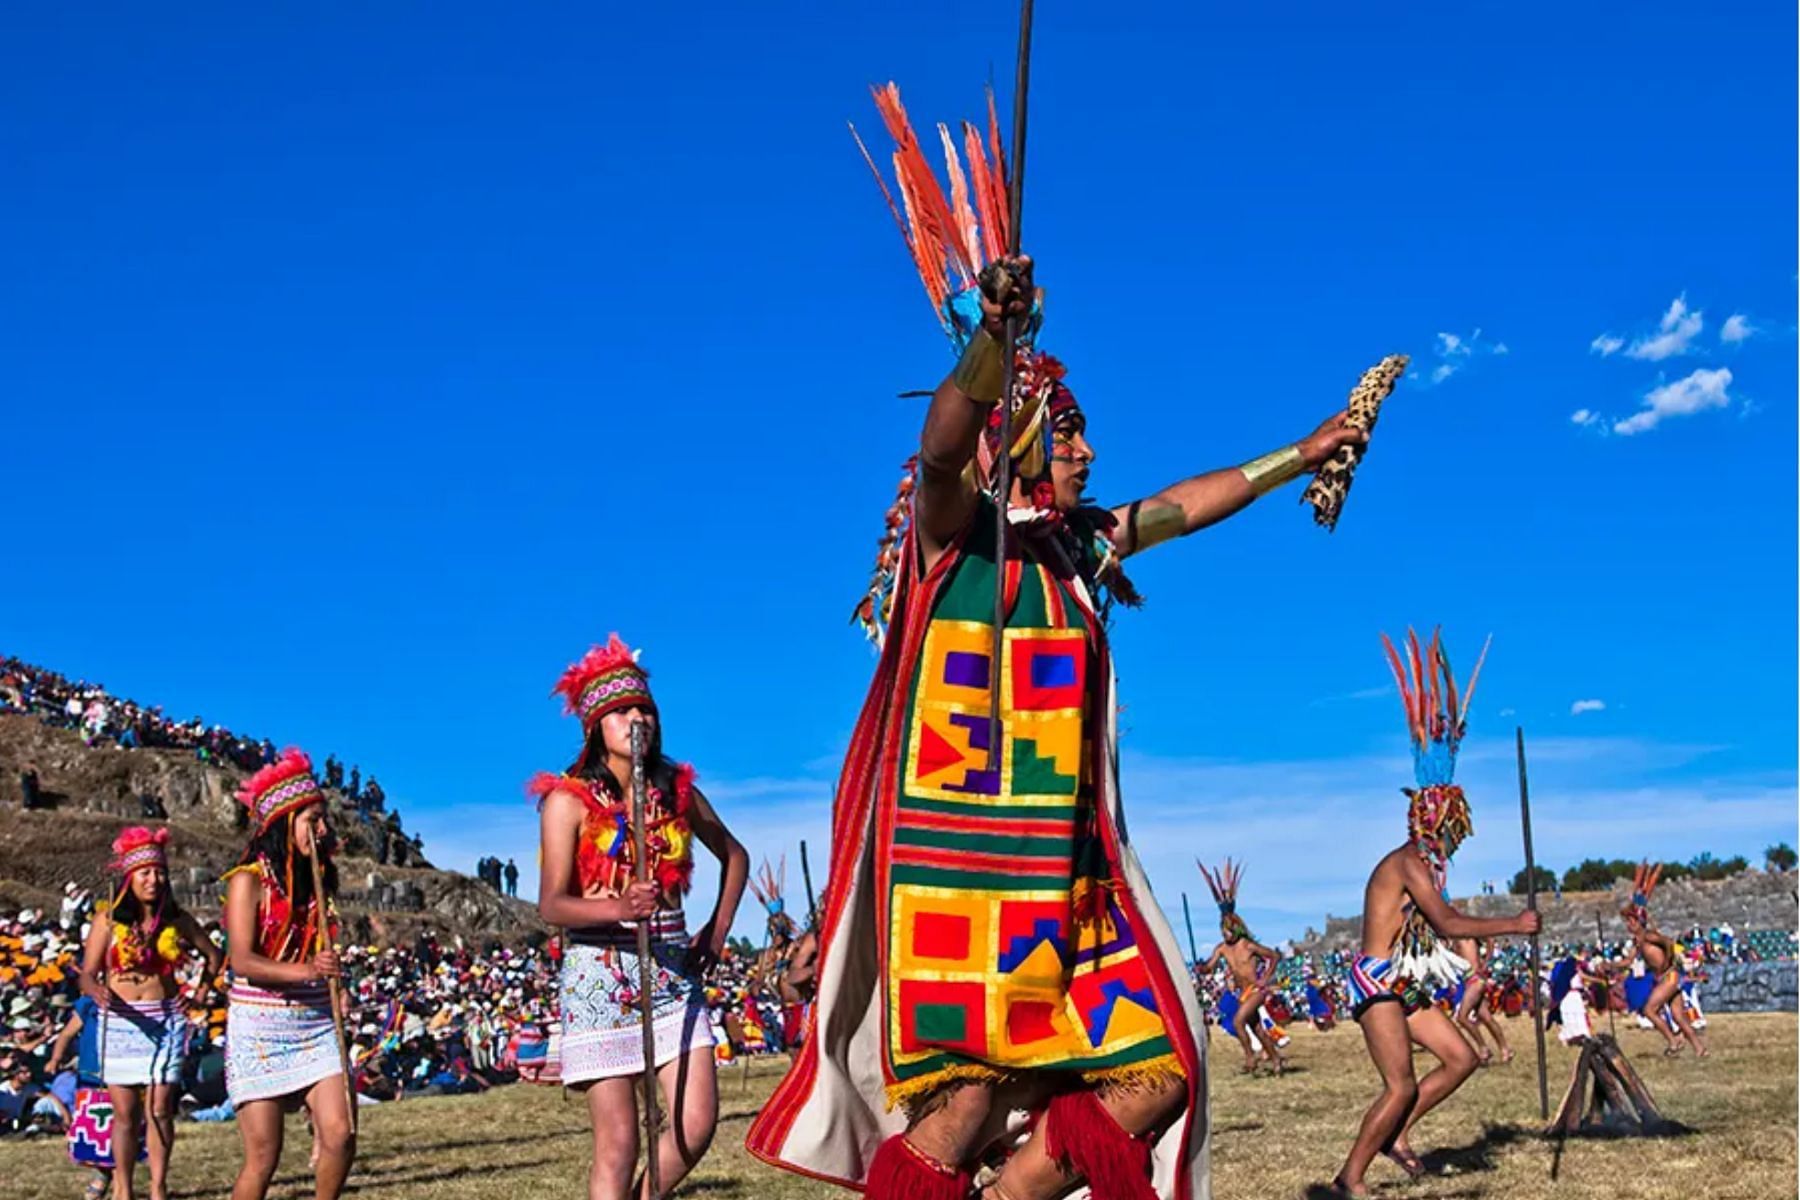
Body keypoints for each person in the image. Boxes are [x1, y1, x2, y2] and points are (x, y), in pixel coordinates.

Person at [748, 84, 1372, 1200]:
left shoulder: (1080, 551)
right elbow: (939, 452)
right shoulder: (952, 541)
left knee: (1158, 1072)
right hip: (958, 877)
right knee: (969, 1099)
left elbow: (1185, 503)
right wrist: (992, 340)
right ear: (1021, 436)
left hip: (1069, 876)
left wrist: (1297, 452)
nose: (1087, 455)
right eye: (1070, 434)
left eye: (1085, 437)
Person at [532, 636, 748, 1200]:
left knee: (695, 1124)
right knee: (620, 1144)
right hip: (599, 976)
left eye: (645, 709)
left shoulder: (675, 791)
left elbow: (735, 854)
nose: (637, 719)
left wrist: (717, 934)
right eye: (622, 711)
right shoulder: (567, 801)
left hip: (674, 973)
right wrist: (618, 907)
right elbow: (552, 904)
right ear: (594, 725)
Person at [1331, 631, 1539, 1198]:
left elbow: (1439, 921)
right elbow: (1446, 924)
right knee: (1398, 1086)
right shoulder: (1409, 863)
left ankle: (1396, 1138)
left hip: (1402, 983)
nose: (1457, 838)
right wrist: (1512, 927)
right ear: (1438, 820)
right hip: (1377, 982)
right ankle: (1349, 1178)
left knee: (1461, 1057)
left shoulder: (1426, 864)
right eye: (1453, 827)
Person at [220, 750, 355, 1200]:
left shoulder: (320, 882)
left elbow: (323, 951)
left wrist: (338, 988)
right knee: (263, 1159)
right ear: (283, 822)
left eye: (323, 821)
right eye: (312, 820)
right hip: (260, 1026)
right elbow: (242, 960)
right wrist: (309, 970)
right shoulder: (248, 881)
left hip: (315, 1023)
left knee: (341, 1134)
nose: (323, 830)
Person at [76, 828, 222, 1200]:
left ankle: (158, 1187)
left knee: (159, 1109)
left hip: (166, 1019)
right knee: (124, 1113)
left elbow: (214, 956)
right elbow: (87, 975)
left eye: (159, 872)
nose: (153, 880)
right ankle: (123, 1188)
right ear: (130, 877)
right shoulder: (107, 920)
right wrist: (97, 991)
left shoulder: (177, 920)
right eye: (144, 873)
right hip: (121, 1021)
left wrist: (200, 993)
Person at [1196, 860, 1285, 1075]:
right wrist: (1202, 969)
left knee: (1238, 1022)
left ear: (1235, 928)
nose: (1224, 934)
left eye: (1227, 930)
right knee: (1258, 1031)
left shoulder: (1247, 945)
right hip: (1241, 993)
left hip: (1256, 989)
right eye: (1221, 930)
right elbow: (1210, 966)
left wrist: (1266, 978)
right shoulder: (1222, 949)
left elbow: (1274, 956)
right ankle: (1276, 1061)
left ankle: (1250, 1058)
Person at [1621, 862, 1706, 1058]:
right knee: (1678, 1016)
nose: (1628, 925)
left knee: (1649, 1010)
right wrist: (1608, 966)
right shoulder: (1639, 941)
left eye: (1630, 921)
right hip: (1669, 978)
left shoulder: (1649, 936)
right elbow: (1627, 963)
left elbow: (1668, 942)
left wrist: (1669, 959)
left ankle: (1674, 1041)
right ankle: (1700, 1048)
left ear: (1637, 921)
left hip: (1670, 977)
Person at [1450, 937, 1512, 1065]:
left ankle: (1483, 1048)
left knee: (1462, 1017)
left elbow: (1490, 939)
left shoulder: (1466, 931)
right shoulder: (1453, 938)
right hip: (1468, 981)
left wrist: (1486, 961)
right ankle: (1505, 1049)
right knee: (1486, 1018)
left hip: (1475, 980)